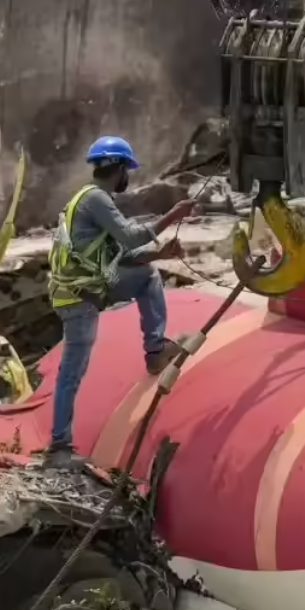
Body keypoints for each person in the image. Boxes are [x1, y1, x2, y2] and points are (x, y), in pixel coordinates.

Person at [44, 135, 196, 464]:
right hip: (79, 297)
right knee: (71, 373)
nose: (128, 176)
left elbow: (119, 256)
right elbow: (128, 237)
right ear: (120, 168)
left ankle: (155, 350)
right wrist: (172, 216)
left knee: (147, 275)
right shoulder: (96, 199)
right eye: (128, 169)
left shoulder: (89, 200)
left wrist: (159, 253)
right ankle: (58, 448)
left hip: (85, 288)